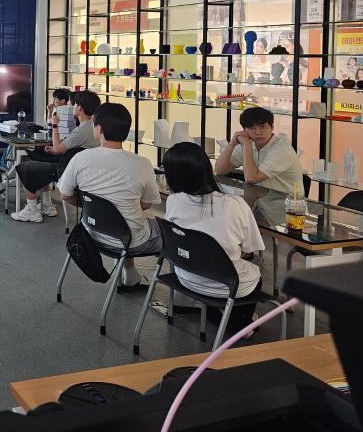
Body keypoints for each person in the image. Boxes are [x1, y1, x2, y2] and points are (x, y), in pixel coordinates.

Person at [164, 142, 265, 335]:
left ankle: (222, 315)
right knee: (254, 272)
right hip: (227, 285)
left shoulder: (173, 201)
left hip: (186, 277)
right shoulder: (235, 204)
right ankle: (237, 322)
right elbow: (249, 249)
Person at [57, 102, 162, 288]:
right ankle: (182, 291)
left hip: (91, 233)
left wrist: (92, 209)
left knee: (123, 220)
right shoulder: (142, 163)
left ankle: (130, 275)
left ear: (98, 129)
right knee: (169, 232)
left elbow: (65, 195)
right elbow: (147, 204)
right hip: (130, 241)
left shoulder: (81, 158)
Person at [11, 90, 101, 222]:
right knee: (40, 158)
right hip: (81, 170)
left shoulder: (82, 130)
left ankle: (32, 210)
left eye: (74, 105)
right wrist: (54, 149)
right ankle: (47, 205)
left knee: (25, 167)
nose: (72, 107)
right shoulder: (94, 126)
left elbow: (59, 149)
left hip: (67, 171)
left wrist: (55, 125)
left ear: (80, 108)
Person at [214, 106, 304, 196]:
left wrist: (247, 145)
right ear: (244, 130)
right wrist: (232, 144)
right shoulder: (247, 142)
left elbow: (251, 178)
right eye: (252, 128)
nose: (258, 132)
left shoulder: (282, 149)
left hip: (287, 201)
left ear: (272, 127)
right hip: (260, 198)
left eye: (263, 126)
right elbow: (219, 170)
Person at [25, 88, 72, 164]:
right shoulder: (57, 112)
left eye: (55, 99)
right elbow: (49, 124)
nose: (53, 102)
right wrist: (50, 111)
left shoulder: (66, 114)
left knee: (39, 149)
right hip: (56, 141)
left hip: (59, 145)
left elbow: (50, 126)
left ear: (63, 101)